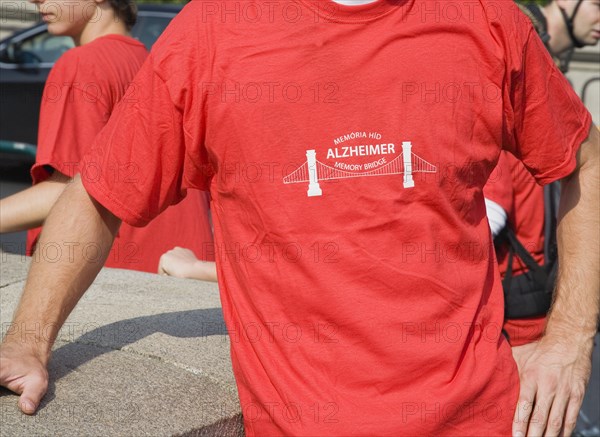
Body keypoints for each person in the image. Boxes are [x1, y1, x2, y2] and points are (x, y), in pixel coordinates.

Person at [0, 1, 598, 436]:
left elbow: (584, 161)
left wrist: (569, 341)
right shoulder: (214, 33)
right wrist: (27, 341)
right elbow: (99, 194)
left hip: (480, 421)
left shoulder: (487, 21)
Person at [0, 0, 215, 274]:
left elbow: (68, 190)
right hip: (178, 271)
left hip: (116, 275)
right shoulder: (152, 62)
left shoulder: (82, 64)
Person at [484, 0, 600, 347]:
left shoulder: (540, 67)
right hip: (515, 322)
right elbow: (491, 206)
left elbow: (587, 166)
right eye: (596, 4)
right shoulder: (505, 62)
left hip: (540, 306)